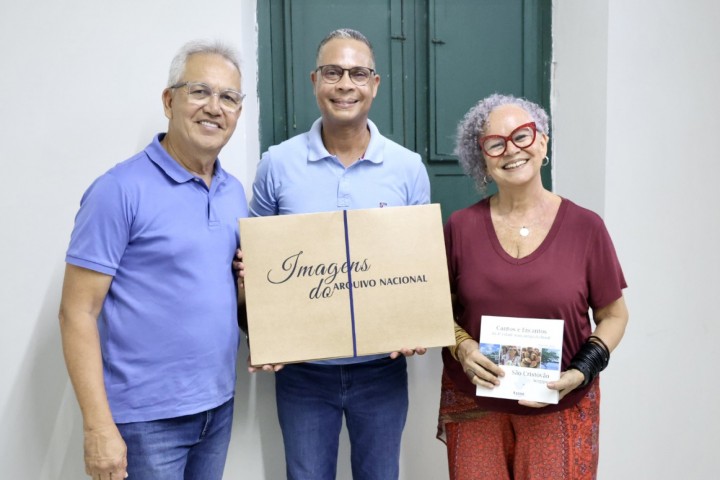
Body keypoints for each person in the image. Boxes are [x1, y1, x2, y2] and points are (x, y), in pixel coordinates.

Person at [58, 40, 249, 480]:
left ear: (238, 112)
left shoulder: (233, 192)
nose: (214, 108)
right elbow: (76, 313)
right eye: (199, 91)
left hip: (217, 408)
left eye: (228, 97)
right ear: (169, 101)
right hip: (145, 423)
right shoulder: (118, 190)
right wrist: (98, 427)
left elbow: (221, 290)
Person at [248, 28, 430, 480]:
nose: (345, 84)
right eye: (333, 72)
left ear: (375, 84)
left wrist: (416, 324)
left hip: (381, 370)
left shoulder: (408, 168)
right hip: (302, 373)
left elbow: (420, 263)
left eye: (358, 73)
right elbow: (252, 263)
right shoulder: (277, 164)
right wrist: (261, 333)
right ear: (315, 81)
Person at [438, 93, 629, 479]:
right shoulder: (460, 227)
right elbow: (436, 309)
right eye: (495, 143)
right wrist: (463, 347)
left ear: (542, 141)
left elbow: (614, 316)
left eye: (522, 135)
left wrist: (582, 370)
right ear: (482, 158)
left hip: (560, 407)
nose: (511, 150)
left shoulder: (586, 227)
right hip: (476, 408)